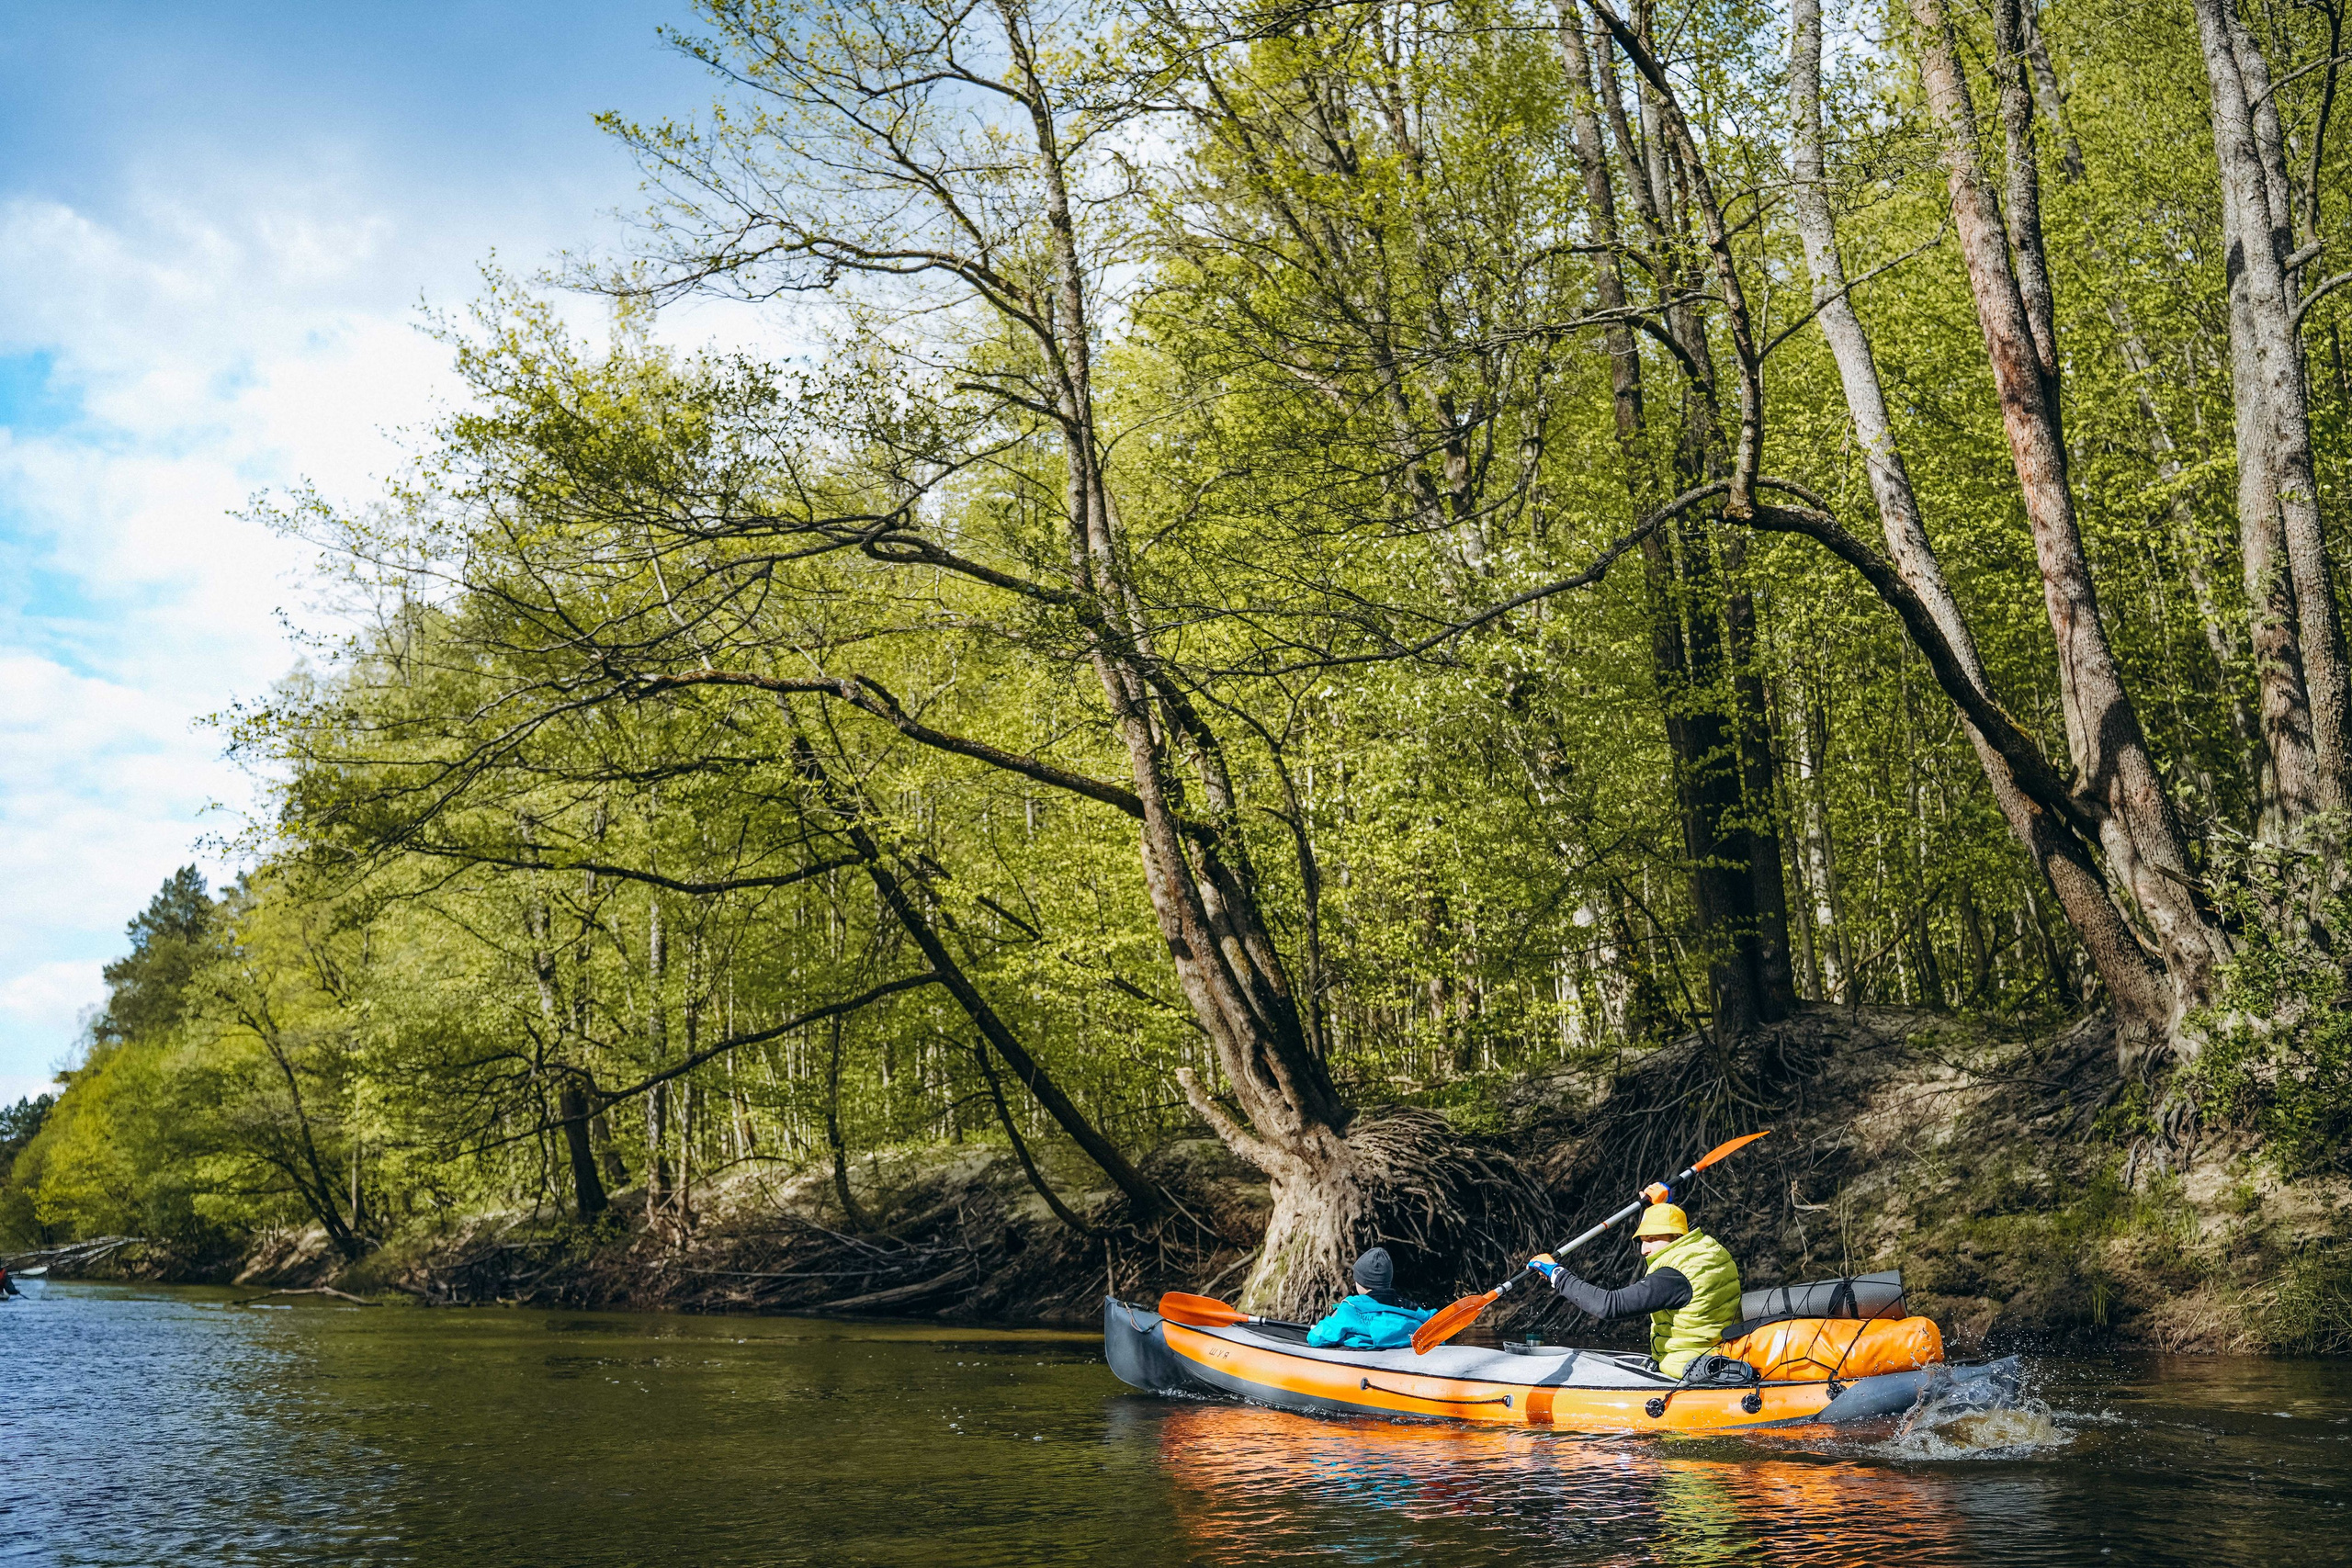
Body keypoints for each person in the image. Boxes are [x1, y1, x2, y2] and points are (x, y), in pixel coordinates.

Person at [1529, 1197, 1740, 1378]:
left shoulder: (1673, 1277)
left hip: (1686, 1365)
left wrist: (1556, 1274)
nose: (1644, 1250)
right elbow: (1680, 1227)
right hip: (1714, 1355)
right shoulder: (1706, 1251)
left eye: (1652, 1239)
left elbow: (1608, 1306)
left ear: (1676, 1237)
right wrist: (1659, 1207)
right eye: (1642, 1241)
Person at [1306, 1247, 1433, 1349]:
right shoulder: (1409, 1308)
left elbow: (1316, 1338)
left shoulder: (1350, 1308)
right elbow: (1432, 1322)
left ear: (1361, 1282)